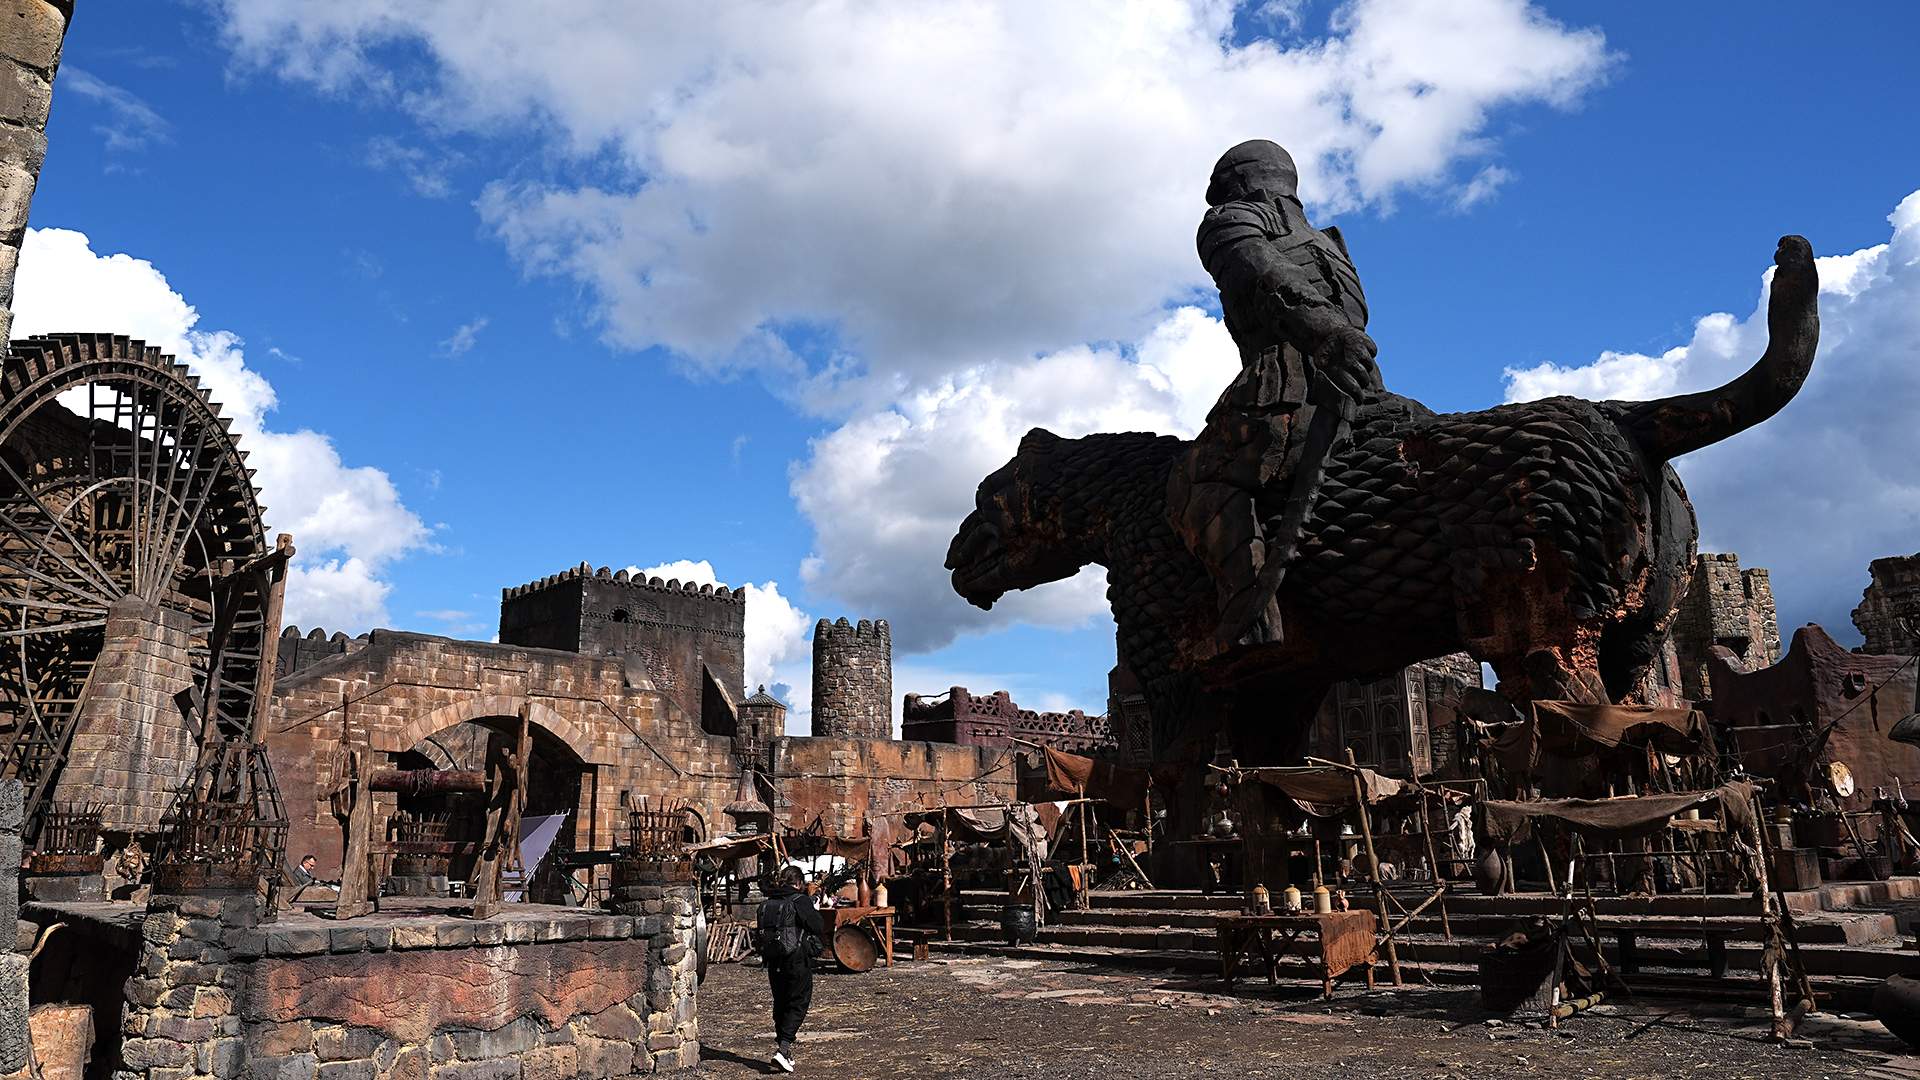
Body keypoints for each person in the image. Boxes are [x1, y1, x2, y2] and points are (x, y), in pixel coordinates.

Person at [1166, 139, 1380, 649]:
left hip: (1290, 383)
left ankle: (1249, 623)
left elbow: (1266, 274)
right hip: (1367, 385)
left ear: (1239, 183)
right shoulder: (1329, 242)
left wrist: (1324, 333)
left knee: (1194, 483)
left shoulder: (1230, 221)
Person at [755, 865, 825, 1072]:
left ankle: (784, 1051)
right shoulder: (799, 900)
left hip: (773, 960)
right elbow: (818, 926)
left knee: (781, 1002)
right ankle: (783, 1048)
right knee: (798, 1002)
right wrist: (814, 909)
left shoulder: (768, 902)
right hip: (796, 960)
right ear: (799, 883)